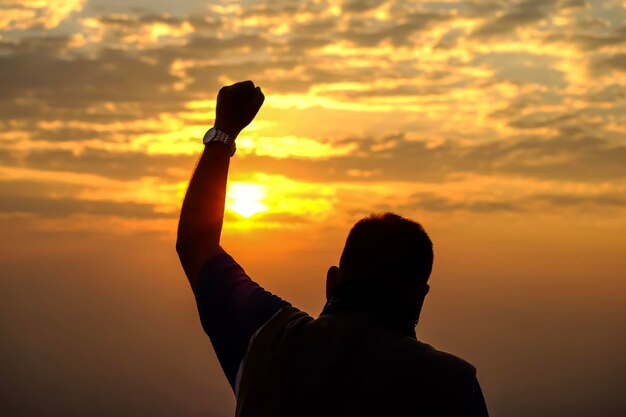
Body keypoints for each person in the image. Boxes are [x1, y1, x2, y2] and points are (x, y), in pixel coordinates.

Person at [176, 80, 489, 417]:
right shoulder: (453, 387)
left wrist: (224, 132)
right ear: (419, 298)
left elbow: (196, 244)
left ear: (333, 281)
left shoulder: (269, 340)